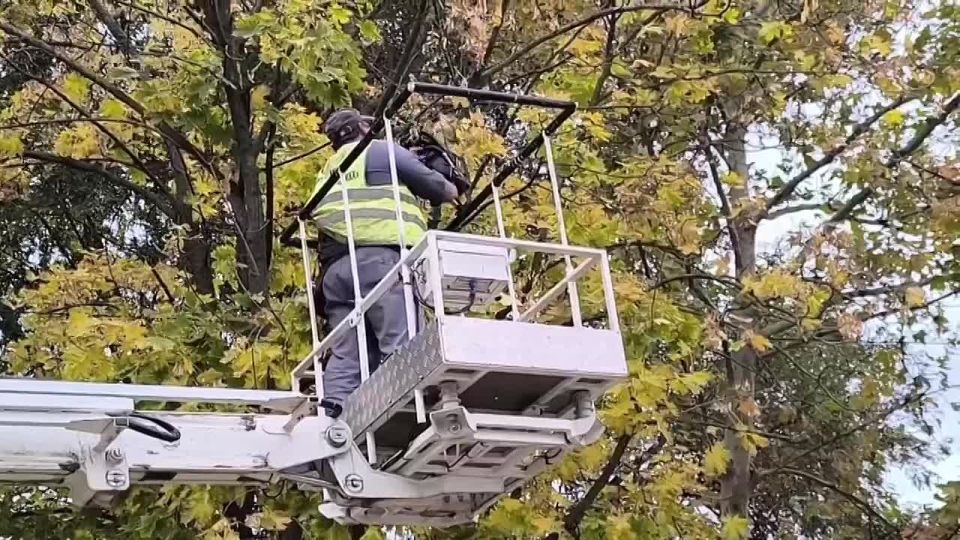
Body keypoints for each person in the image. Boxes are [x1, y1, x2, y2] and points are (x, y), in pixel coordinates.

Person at [313, 109, 458, 417]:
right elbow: (441, 190)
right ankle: (405, 412)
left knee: (349, 355)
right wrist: (448, 180)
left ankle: (330, 419)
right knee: (401, 345)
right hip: (381, 262)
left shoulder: (328, 169)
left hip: (337, 272)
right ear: (362, 129)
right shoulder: (378, 150)